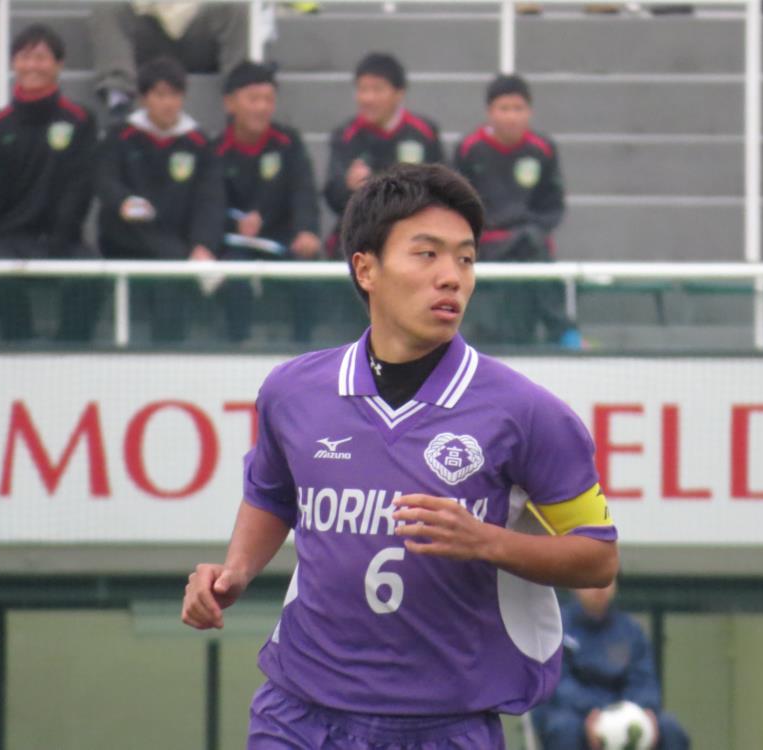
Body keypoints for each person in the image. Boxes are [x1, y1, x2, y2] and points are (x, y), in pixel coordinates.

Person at [181, 163, 619, 748]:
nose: (451, 277)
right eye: (427, 255)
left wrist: (486, 541)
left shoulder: (529, 413)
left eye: (466, 259)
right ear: (366, 268)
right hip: (299, 713)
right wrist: (235, 570)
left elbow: (597, 558)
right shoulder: (292, 391)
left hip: (445, 725)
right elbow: (272, 495)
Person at [0, 24, 102, 343]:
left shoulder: (80, 120)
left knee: (91, 275)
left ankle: (72, 351)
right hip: (6, 241)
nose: (32, 65)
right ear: (13, 63)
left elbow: (80, 188)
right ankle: (19, 348)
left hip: (62, 241)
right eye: (24, 57)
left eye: (41, 57)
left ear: (59, 65)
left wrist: (58, 240)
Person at [97, 56, 224, 343]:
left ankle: (171, 349)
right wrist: (123, 202)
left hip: (177, 243)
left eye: (175, 95)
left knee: (176, 273)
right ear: (144, 98)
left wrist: (203, 244)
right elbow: (105, 180)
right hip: (126, 240)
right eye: (160, 95)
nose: (169, 103)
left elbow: (209, 200)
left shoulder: (198, 143)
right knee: (172, 260)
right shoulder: (120, 136)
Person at [454, 73, 580, 348]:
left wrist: (530, 228)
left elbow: (552, 206)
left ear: (529, 112)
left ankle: (563, 335)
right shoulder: (469, 149)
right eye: (504, 108)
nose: (511, 116)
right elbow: (457, 206)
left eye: (518, 108)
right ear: (490, 112)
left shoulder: (543, 149)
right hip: (485, 244)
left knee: (534, 251)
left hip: (528, 240)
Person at [212, 60, 322, 343]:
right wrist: (234, 224)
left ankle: (306, 352)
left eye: (268, 99)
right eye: (253, 99)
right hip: (234, 246)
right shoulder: (215, 150)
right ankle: (237, 347)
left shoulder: (288, 143)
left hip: (281, 242)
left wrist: (306, 231)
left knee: (308, 277)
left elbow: (303, 192)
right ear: (230, 103)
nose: (261, 107)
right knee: (234, 277)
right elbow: (209, 205)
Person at [532, 580, 690, 750]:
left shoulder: (631, 630)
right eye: (591, 577)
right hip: (574, 714)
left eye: (606, 578)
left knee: (670, 729)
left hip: (626, 712)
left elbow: (645, 680)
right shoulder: (556, 626)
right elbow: (557, 684)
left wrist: (639, 711)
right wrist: (595, 713)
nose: (599, 586)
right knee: (564, 730)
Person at [323, 52, 444, 251]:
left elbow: (442, 191)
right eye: (362, 89)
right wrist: (348, 187)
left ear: (399, 93)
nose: (368, 98)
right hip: (362, 236)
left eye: (377, 89)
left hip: (415, 236)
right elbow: (332, 197)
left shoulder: (424, 132)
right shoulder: (345, 136)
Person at [89, 1, 248, 119]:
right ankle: (119, 100)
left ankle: (241, 97)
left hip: (199, 35)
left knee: (236, 5)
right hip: (147, 31)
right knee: (107, 5)